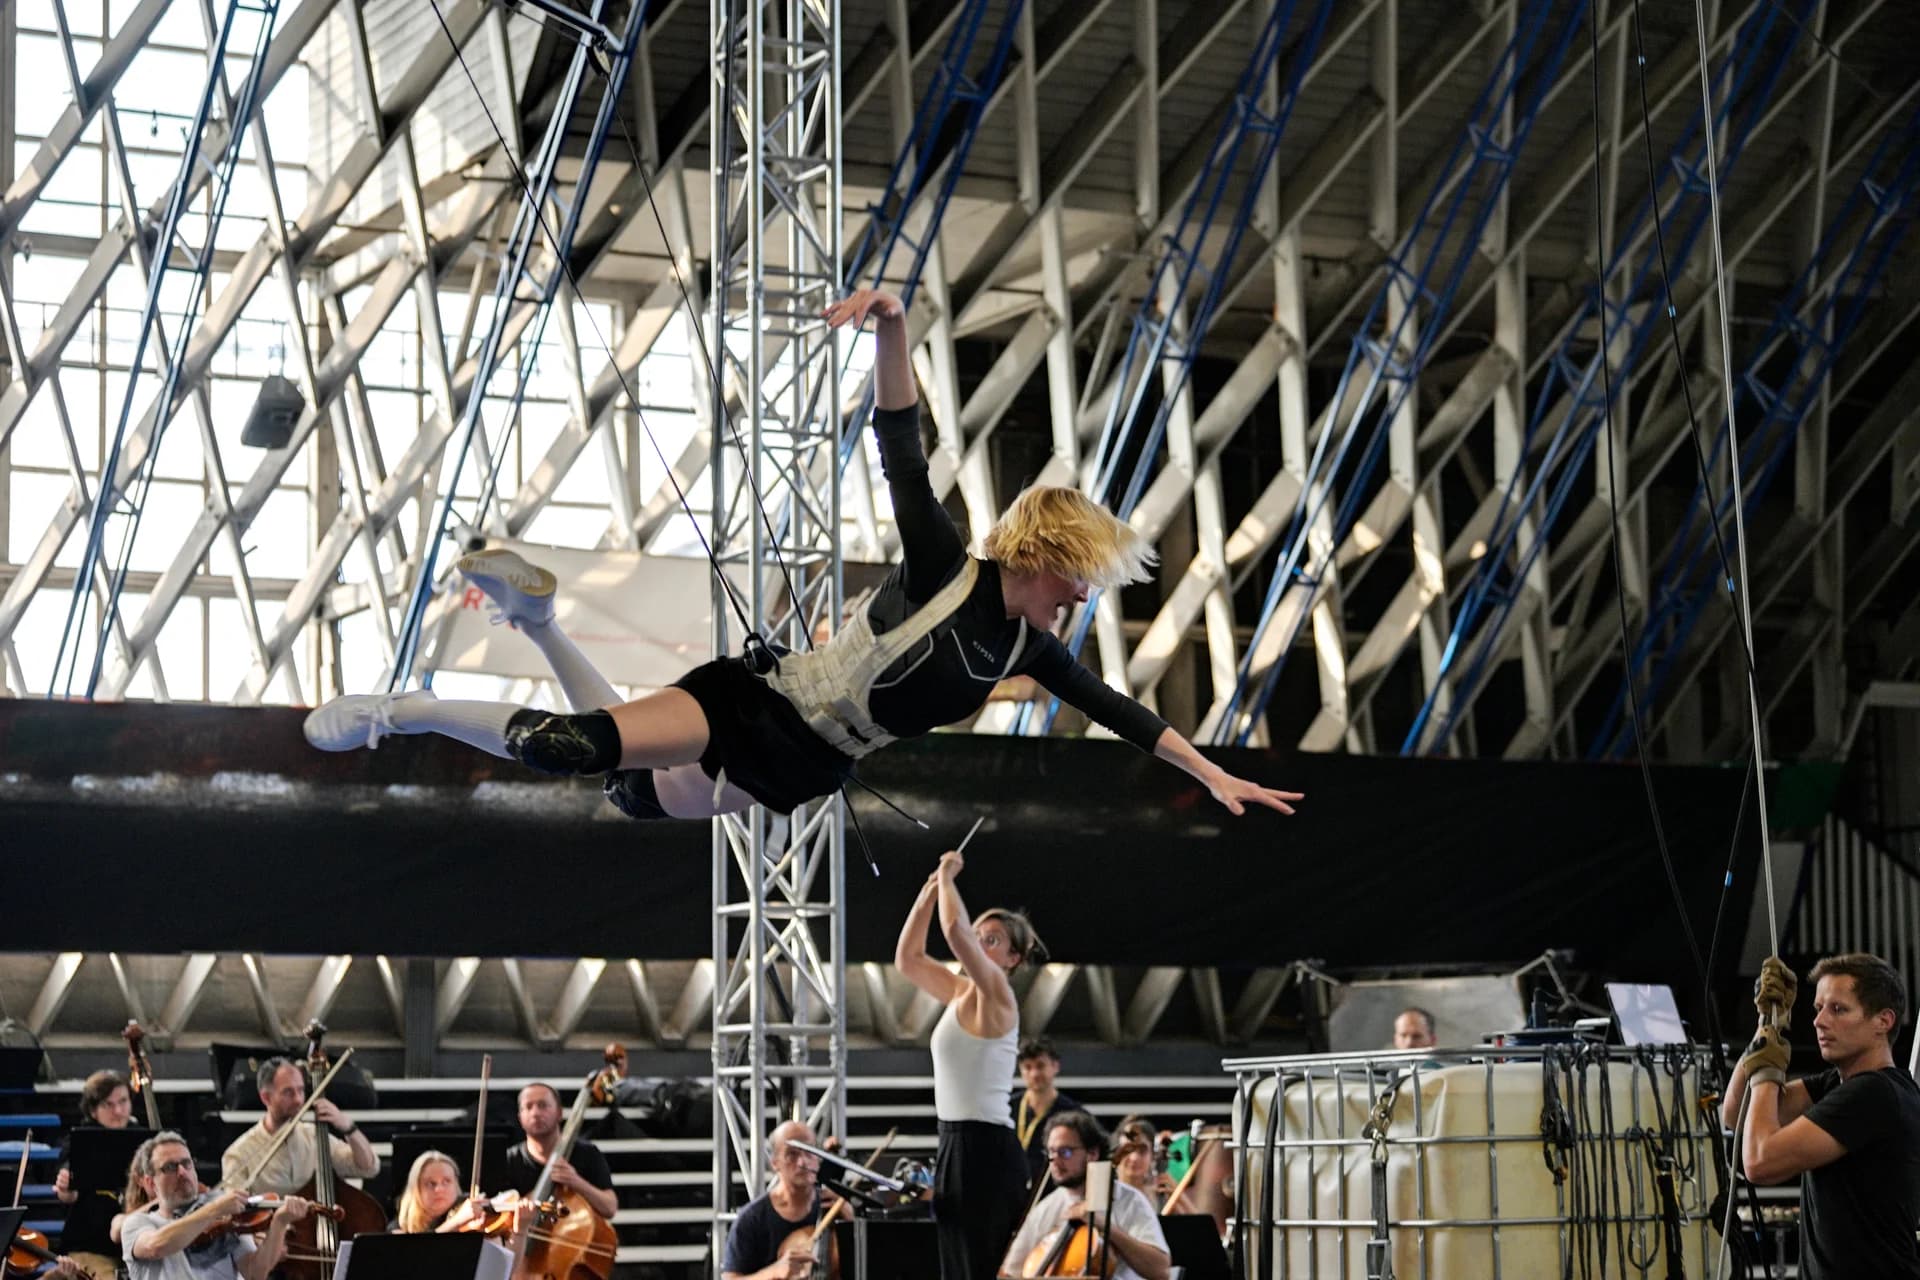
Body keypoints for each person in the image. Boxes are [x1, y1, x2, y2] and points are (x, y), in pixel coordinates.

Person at [301, 289, 1305, 826]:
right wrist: (893, 325)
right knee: (575, 751)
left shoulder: (1026, 650)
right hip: (762, 706)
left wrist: (1212, 772)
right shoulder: (944, 565)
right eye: (1079, 576)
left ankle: (537, 623)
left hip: (809, 762)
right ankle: (408, 707)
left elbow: (1125, 715)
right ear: (1044, 553)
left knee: (626, 787)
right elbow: (901, 444)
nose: (1084, 597)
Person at [1721, 952, 1920, 1279]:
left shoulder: (1874, 1094)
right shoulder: (1837, 1084)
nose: (1819, 1021)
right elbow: (1736, 1113)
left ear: (1883, 1021)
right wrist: (1766, 1027)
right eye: (1818, 1008)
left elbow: (1759, 1161)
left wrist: (1767, 1070)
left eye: (1838, 1009)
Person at [895, 849, 1034, 1280]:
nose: (979, 943)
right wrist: (927, 896)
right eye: (980, 936)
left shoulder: (999, 996)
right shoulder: (960, 992)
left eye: (992, 940)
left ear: (1012, 959)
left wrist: (948, 877)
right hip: (954, 1141)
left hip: (985, 1148)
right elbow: (908, 959)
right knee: (956, 1267)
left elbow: (956, 932)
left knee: (979, 1267)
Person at [120, 1131, 312, 1280]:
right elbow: (156, 1246)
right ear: (150, 1183)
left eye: (187, 1163)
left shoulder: (226, 1219)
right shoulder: (137, 1224)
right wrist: (214, 1209)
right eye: (170, 1167)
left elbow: (254, 1273)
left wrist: (279, 1223)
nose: (182, 1172)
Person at [1002, 1113, 1170, 1280]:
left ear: (1092, 1154)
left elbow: (1161, 1271)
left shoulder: (1129, 1200)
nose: (1055, 1161)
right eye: (1051, 1152)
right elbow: (1010, 1273)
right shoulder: (1046, 1207)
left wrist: (1105, 1227)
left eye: (1065, 1152)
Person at [219, 1058, 378, 1195]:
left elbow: (368, 1168)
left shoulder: (315, 1137)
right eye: (288, 1092)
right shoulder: (239, 1154)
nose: (298, 1100)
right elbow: (234, 1212)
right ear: (266, 1097)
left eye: (301, 1090)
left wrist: (349, 1128)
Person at [51, 1070, 139, 1279]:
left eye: (123, 1101)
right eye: (108, 1105)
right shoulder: (78, 1142)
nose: (118, 1111)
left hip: (137, 1246)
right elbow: (68, 1190)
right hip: (91, 1248)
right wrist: (67, 1187)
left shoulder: (142, 1138)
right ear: (93, 1110)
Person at [496, 1083, 619, 1222]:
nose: (535, 1113)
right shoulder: (509, 1160)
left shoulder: (587, 1153)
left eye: (543, 1105)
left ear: (559, 1113)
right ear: (520, 1118)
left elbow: (610, 1208)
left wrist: (576, 1182)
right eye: (528, 1107)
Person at [720, 1120, 825, 1280]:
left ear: (818, 1158)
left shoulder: (834, 1207)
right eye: (792, 1154)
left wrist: (851, 1221)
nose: (802, 1162)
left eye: (809, 1151)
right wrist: (773, 1272)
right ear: (775, 1163)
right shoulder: (752, 1219)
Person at [1014, 1038, 1081, 1191]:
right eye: (1027, 1067)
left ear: (1055, 1066)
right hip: (1012, 1194)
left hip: (1055, 1194)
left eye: (1040, 1065)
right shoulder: (1006, 1107)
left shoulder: (1074, 1114)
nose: (1034, 1073)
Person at [393, 1150, 489, 1234]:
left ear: (456, 1184)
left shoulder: (469, 1209)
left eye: (446, 1181)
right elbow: (421, 1248)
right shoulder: (400, 1227)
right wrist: (455, 1221)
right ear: (416, 1189)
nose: (439, 1189)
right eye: (431, 1183)